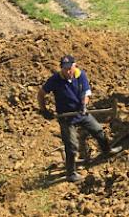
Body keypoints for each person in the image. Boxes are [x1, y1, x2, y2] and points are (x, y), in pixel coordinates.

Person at [37, 55, 121, 183]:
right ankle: (71, 173)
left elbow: (86, 93)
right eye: (65, 69)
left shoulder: (80, 75)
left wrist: (84, 104)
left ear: (74, 66)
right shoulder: (55, 79)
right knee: (71, 145)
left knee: (98, 130)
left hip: (80, 112)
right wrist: (44, 110)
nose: (68, 71)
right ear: (61, 68)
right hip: (66, 117)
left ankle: (107, 150)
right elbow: (41, 94)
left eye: (70, 68)